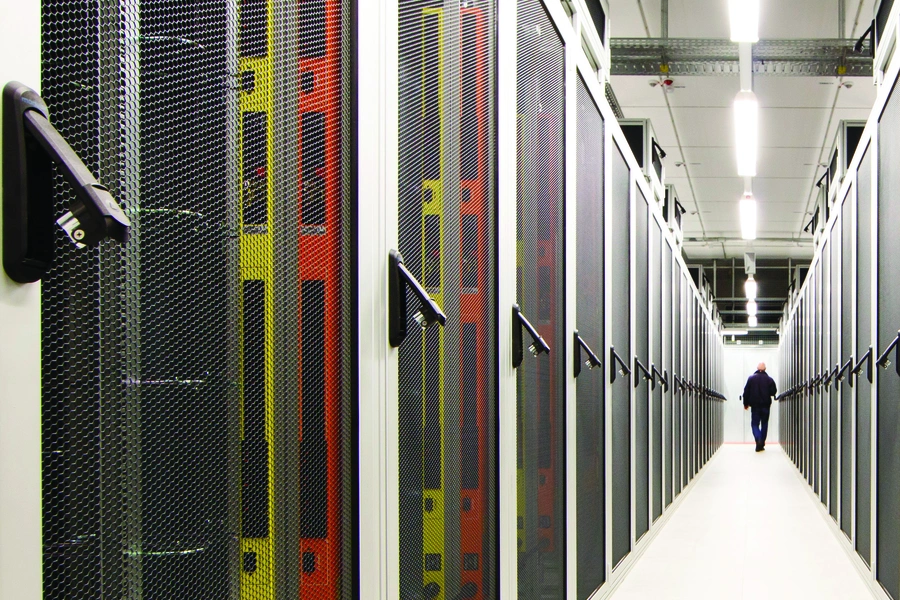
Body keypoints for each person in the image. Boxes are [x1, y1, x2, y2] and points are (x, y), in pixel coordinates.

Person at [743, 362, 777, 452]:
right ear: (765, 369)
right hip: (766, 405)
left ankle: (758, 439)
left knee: (754, 424)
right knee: (764, 424)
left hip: (755, 406)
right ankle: (761, 443)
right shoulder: (769, 379)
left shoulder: (751, 378)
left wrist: (745, 403)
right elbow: (773, 391)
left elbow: (746, 392)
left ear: (757, 369)